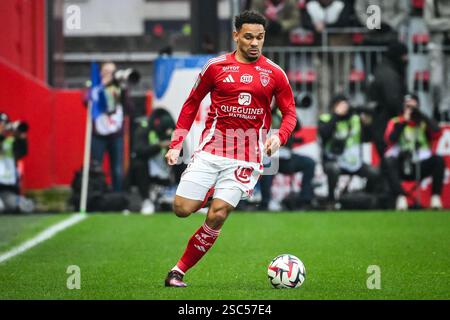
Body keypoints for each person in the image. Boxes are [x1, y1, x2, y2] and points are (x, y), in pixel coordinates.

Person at [163, 10, 297, 287]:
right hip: (212, 149)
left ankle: (178, 271)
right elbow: (190, 105)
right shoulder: (215, 67)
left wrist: (279, 137)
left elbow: (290, 113)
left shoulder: (275, 73)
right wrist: (176, 143)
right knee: (181, 209)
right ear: (236, 35)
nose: (254, 43)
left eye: (260, 37)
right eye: (248, 37)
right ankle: (210, 191)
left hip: (247, 158)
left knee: (219, 213)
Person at [382, 94, 444, 211]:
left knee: (439, 160)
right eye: (407, 106)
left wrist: (421, 116)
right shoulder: (395, 121)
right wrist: (404, 121)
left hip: (420, 162)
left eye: (413, 106)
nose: (410, 109)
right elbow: (389, 140)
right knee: (388, 162)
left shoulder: (423, 122)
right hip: (401, 162)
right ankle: (401, 197)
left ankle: (435, 198)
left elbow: (437, 132)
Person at [318, 94, 379, 204]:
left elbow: (369, 138)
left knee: (375, 173)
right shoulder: (326, 118)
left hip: (355, 162)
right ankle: (331, 200)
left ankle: (366, 199)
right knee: (333, 169)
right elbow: (324, 134)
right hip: (333, 160)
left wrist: (368, 123)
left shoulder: (356, 119)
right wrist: (336, 115)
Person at [259, 109, 316, 211]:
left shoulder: (281, 113)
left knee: (309, 163)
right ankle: (266, 202)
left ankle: (305, 200)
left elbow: (297, 126)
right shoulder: (261, 112)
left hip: (286, 157)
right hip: (267, 155)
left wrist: (288, 111)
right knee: (268, 167)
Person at [89, 62, 132, 192]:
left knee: (117, 168)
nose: (108, 74)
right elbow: (86, 101)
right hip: (98, 134)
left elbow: (130, 109)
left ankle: (117, 197)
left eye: (111, 71)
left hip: (115, 134)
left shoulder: (118, 89)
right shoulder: (95, 88)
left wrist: (123, 92)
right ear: (101, 72)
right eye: (106, 71)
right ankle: (97, 195)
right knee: (96, 167)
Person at [130, 108, 176, 215]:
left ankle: (182, 196)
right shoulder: (144, 129)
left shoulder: (175, 133)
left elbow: (182, 156)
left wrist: (173, 149)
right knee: (138, 164)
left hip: (165, 172)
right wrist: (159, 146)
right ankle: (146, 200)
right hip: (149, 170)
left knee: (184, 163)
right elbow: (139, 150)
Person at [368, 41, 409, 157]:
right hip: (386, 124)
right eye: (404, 56)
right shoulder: (389, 75)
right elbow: (393, 100)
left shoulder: (383, 69)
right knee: (390, 163)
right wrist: (403, 115)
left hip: (380, 121)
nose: (406, 59)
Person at [0, 112, 33, 213]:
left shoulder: (10, 141)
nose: (4, 126)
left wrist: (20, 135)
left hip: (6, 187)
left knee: (24, 206)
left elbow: (23, 151)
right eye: (2, 123)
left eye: (6, 123)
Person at [424, 0, 450, 121]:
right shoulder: (430, 3)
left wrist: (440, 23)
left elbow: (434, 23)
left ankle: (445, 110)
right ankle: (437, 107)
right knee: (436, 81)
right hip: (437, 46)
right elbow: (429, 23)